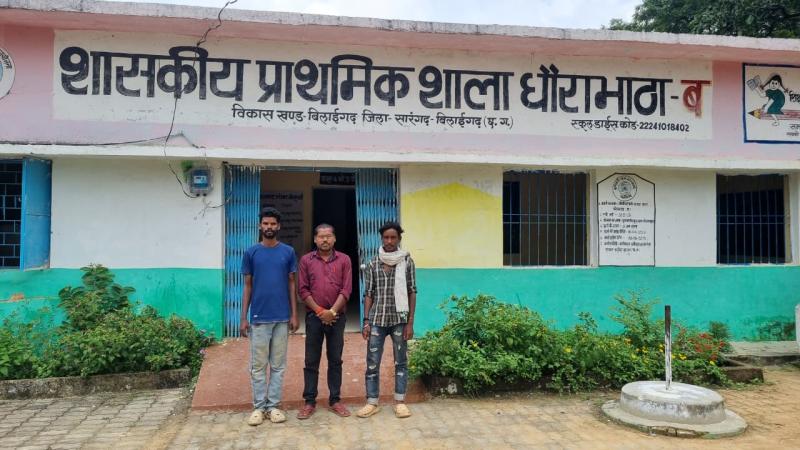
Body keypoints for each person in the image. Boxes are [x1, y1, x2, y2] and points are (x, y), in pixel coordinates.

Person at [240, 207, 299, 426]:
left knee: (278, 365)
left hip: (282, 318)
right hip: (258, 317)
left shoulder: (288, 252)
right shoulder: (251, 253)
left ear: (279, 226)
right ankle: (258, 407)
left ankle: (273, 406)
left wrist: (294, 314)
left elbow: (292, 284)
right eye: (265, 223)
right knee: (258, 366)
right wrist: (243, 317)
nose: (269, 227)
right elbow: (247, 286)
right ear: (260, 226)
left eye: (273, 224)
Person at [356, 221, 417, 419]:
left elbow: (412, 291)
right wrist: (366, 321)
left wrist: (410, 322)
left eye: (393, 237)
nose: (389, 241)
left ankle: (400, 402)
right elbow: (368, 293)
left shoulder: (406, 262)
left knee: (401, 361)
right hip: (377, 321)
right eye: (386, 237)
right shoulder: (373, 263)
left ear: (399, 239)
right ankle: (372, 402)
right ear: (381, 239)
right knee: (372, 362)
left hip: (400, 320)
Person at [296, 223, 353, 419]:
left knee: (335, 359)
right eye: (321, 236)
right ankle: (309, 402)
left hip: (337, 317)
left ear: (334, 238)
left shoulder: (344, 260)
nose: (325, 240)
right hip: (314, 317)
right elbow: (303, 290)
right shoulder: (306, 260)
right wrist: (321, 311)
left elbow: (346, 289)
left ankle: (335, 400)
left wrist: (332, 311)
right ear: (315, 239)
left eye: (328, 236)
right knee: (311, 360)